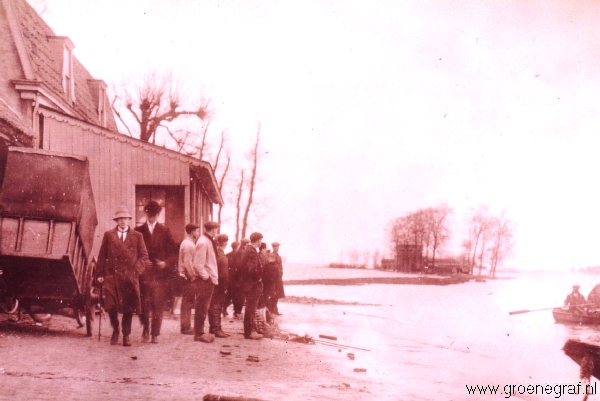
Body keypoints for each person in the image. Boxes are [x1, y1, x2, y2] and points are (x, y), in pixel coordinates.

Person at [97, 205, 149, 346]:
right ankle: (115, 329)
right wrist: (100, 274)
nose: (123, 221)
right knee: (111, 306)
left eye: (125, 218)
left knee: (128, 307)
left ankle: (126, 335)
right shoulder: (109, 235)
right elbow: (102, 256)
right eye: (120, 219)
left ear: (129, 220)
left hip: (129, 277)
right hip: (112, 276)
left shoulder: (137, 236)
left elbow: (144, 256)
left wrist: (136, 272)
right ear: (116, 220)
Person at [135, 201, 177, 344]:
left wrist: (165, 263)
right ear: (145, 214)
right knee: (144, 304)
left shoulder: (165, 231)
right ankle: (146, 329)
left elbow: (173, 253)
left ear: (158, 214)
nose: (151, 217)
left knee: (158, 304)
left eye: (154, 215)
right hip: (144, 274)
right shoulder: (138, 230)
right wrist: (141, 262)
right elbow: (132, 252)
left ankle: (155, 333)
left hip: (160, 276)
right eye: (149, 214)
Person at [191, 221, 220, 343]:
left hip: (209, 279)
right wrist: (206, 277)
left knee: (203, 306)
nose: (217, 232)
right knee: (201, 306)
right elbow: (198, 264)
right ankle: (199, 333)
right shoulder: (203, 242)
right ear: (213, 230)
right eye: (216, 230)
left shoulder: (207, 241)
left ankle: (200, 332)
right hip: (205, 280)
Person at [240, 232, 265, 340]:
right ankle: (249, 332)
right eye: (260, 240)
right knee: (251, 308)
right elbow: (252, 269)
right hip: (252, 285)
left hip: (248, 284)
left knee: (250, 307)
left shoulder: (248, 250)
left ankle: (249, 331)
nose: (261, 242)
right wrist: (258, 278)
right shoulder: (252, 252)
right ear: (258, 240)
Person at [178, 223, 201, 335]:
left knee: (187, 302)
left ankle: (186, 326)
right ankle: (186, 327)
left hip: (187, 276)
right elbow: (188, 262)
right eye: (197, 231)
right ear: (192, 232)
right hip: (188, 277)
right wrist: (192, 276)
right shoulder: (188, 244)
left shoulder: (189, 243)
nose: (198, 233)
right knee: (187, 302)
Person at [208, 233, 230, 338]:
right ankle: (215, 329)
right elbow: (224, 275)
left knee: (214, 306)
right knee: (216, 306)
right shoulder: (222, 256)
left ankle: (216, 328)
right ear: (225, 243)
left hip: (213, 282)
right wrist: (225, 287)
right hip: (219, 284)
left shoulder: (214, 253)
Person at [232, 238, 250, 319]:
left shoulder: (238, 252)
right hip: (240, 278)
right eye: (247, 244)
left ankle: (237, 311)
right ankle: (238, 312)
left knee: (237, 295)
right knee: (240, 296)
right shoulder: (242, 253)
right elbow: (240, 265)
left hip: (237, 278)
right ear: (245, 244)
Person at [222, 241, 240, 317]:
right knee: (235, 296)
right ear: (236, 247)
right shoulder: (238, 256)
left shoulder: (228, 255)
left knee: (229, 295)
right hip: (235, 278)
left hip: (229, 278)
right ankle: (236, 311)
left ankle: (224, 309)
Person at [271, 242, 285, 315]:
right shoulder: (271, 255)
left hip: (278, 277)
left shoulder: (279, 256)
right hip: (273, 278)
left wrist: (281, 273)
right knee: (273, 294)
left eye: (278, 247)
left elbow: (281, 266)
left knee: (277, 294)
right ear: (273, 247)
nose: (277, 248)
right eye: (276, 247)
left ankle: (275, 310)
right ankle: (272, 310)